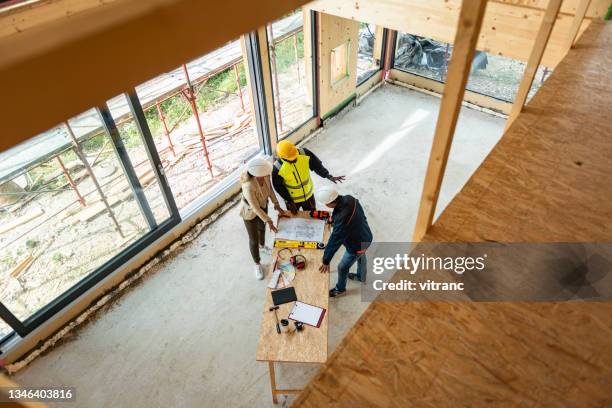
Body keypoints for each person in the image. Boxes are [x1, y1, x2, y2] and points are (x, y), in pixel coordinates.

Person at [316, 186, 373, 298]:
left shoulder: (343, 220)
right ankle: (361, 276)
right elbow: (356, 214)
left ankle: (340, 289)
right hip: (366, 236)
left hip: (356, 246)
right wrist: (334, 219)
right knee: (361, 256)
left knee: (342, 267)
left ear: (329, 203)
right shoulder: (349, 199)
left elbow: (334, 241)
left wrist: (326, 260)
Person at [240, 157, 289, 280]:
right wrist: (269, 220)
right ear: (256, 174)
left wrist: (277, 205)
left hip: (263, 205)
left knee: (262, 229)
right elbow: (255, 208)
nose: (267, 174)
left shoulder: (265, 176)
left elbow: (271, 191)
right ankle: (257, 264)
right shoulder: (248, 186)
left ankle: (263, 246)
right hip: (250, 213)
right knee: (253, 240)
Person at [272, 140, 345, 214]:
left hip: (308, 195)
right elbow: (279, 187)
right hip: (293, 200)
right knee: (295, 218)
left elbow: (317, 166)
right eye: (291, 159)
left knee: (312, 214)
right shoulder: (278, 167)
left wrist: (328, 175)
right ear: (282, 157)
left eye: (294, 156)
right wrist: (289, 201)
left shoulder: (304, 153)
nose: (294, 159)